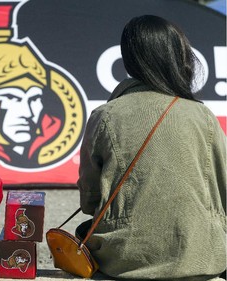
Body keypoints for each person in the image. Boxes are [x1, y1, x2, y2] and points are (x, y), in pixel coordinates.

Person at [77, 15, 226, 280]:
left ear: (128, 60)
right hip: (201, 257)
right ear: (178, 56)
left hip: (124, 261)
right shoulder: (203, 116)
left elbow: (89, 201)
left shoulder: (106, 116)